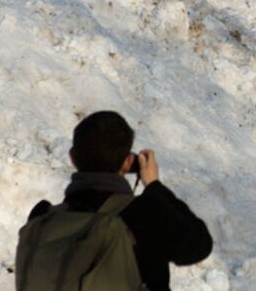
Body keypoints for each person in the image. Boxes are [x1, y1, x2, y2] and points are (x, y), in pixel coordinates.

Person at [16, 111, 213, 291]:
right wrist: (154, 186)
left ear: (72, 157)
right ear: (128, 162)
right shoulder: (143, 214)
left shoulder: (41, 217)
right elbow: (198, 246)